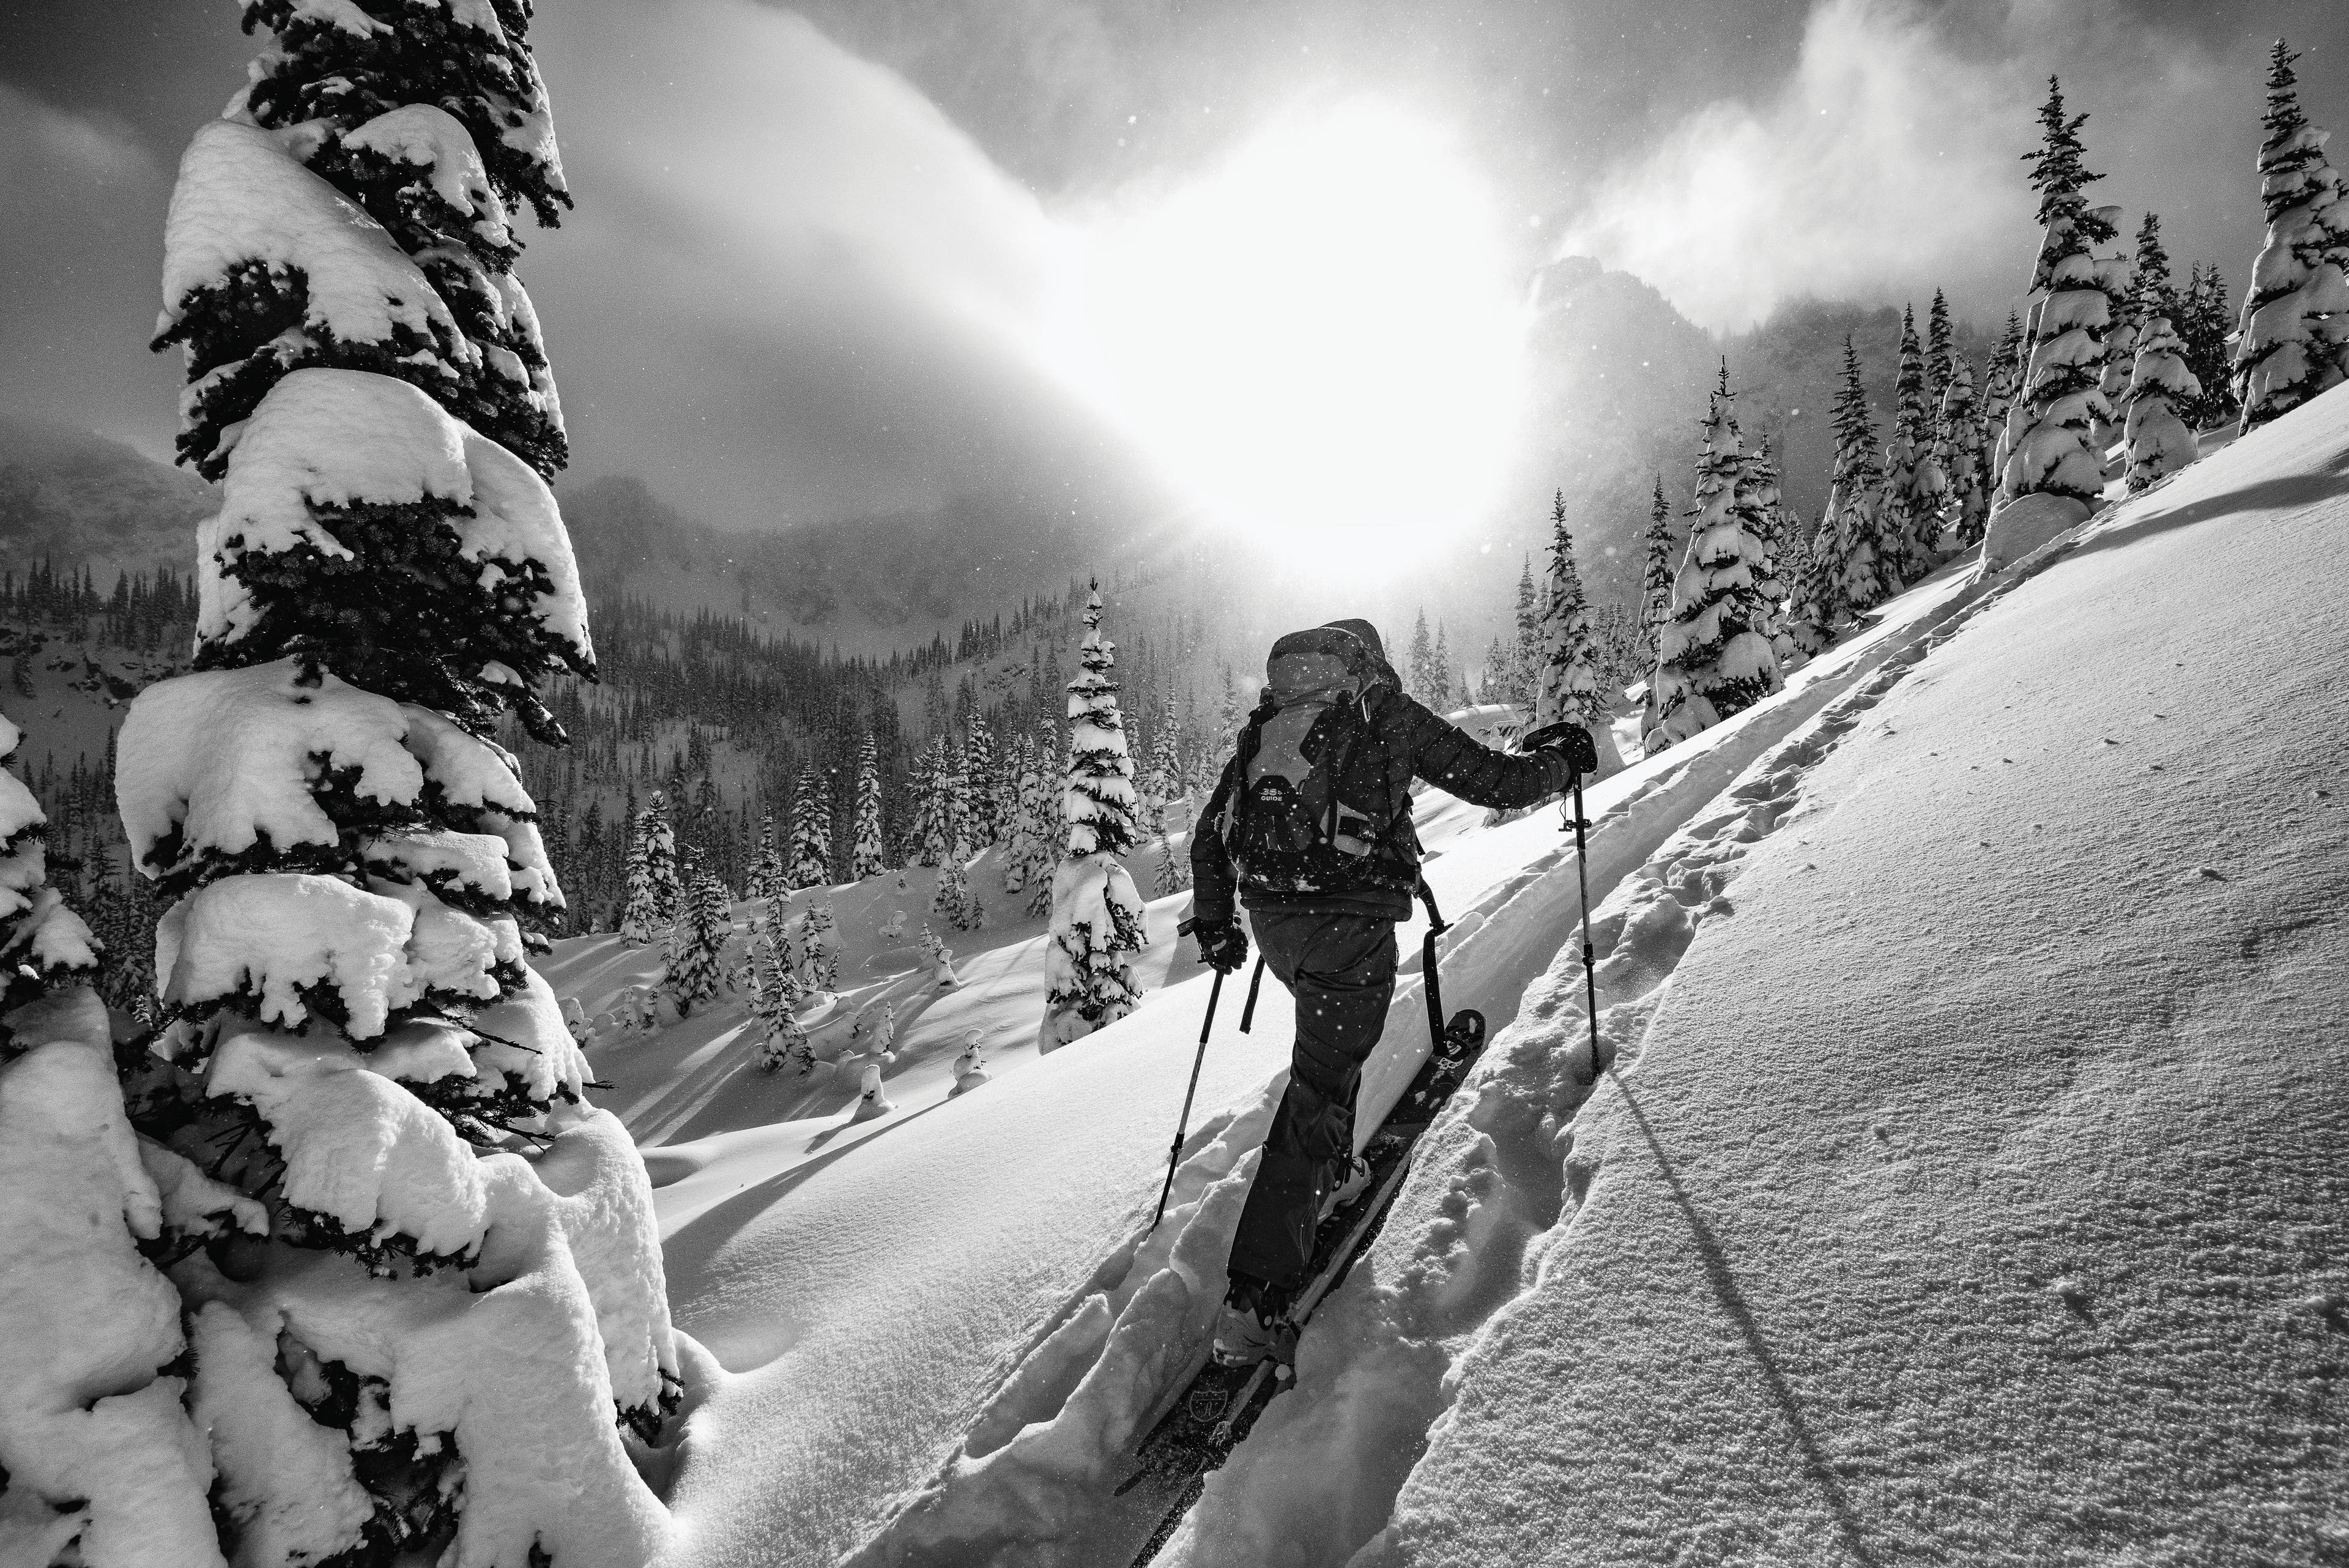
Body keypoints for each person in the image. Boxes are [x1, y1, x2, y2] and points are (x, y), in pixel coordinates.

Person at [1186, 617, 1597, 1365]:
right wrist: (1560, 763)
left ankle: (1334, 1175)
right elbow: (1494, 782)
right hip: (1350, 927)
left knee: (1328, 1062)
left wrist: (1217, 924)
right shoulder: (1383, 713)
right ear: (1367, 660)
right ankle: (1252, 1301)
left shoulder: (1267, 727)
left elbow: (1211, 834)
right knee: (1318, 1085)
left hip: (1279, 924)